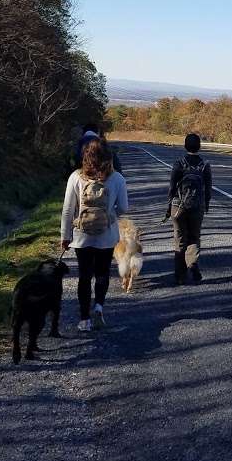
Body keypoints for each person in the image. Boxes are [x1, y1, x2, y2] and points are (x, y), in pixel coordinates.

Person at [61, 138, 128, 331]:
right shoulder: (117, 178)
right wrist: (110, 215)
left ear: (85, 156)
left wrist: (65, 236)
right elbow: (123, 207)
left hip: (81, 236)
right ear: (108, 156)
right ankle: (98, 307)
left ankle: (84, 319)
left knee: (84, 276)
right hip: (106, 236)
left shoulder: (76, 177)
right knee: (102, 273)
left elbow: (67, 210)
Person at [167, 133, 212, 285]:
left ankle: (180, 275)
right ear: (199, 146)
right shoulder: (205, 164)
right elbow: (208, 189)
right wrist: (206, 205)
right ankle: (192, 264)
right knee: (194, 237)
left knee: (179, 239)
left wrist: (169, 205)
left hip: (178, 207)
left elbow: (172, 187)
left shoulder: (179, 163)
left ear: (185, 145)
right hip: (196, 206)